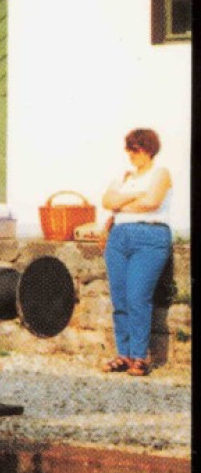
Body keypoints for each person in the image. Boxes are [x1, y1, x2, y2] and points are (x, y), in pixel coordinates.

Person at [100, 128, 173, 376]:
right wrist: (133, 196)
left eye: (135, 149)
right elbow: (108, 201)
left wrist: (123, 204)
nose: (130, 154)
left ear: (148, 150)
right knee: (119, 299)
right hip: (119, 238)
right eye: (129, 149)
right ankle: (124, 354)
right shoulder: (125, 177)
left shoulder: (160, 173)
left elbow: (151, 202)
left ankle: (140, 356)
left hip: (149, 237)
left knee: (137, 296)